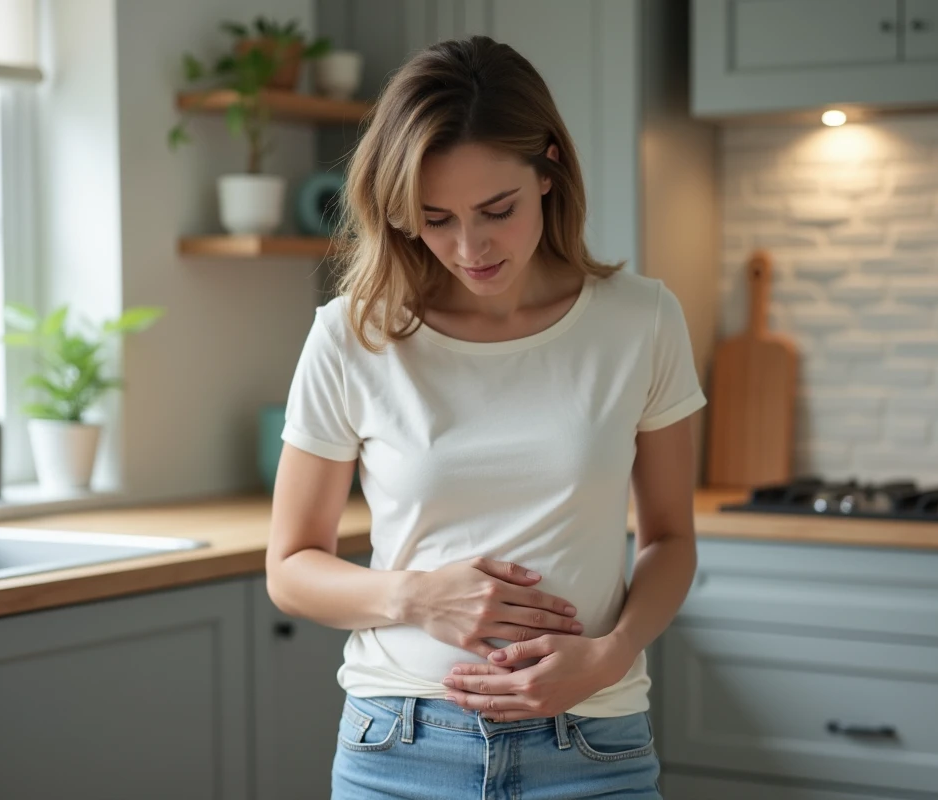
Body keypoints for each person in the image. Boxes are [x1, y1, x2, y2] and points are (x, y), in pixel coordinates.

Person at [266, 34, 704, 800]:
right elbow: (291, 568)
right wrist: (414, 596)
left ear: (548, 169)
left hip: (592, 745)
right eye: (434, 219)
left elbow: (670, 538)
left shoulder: (642, 320)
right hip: (399, 747)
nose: (469, 247)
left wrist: (611, 653)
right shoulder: (352, 334)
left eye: (496, 210)